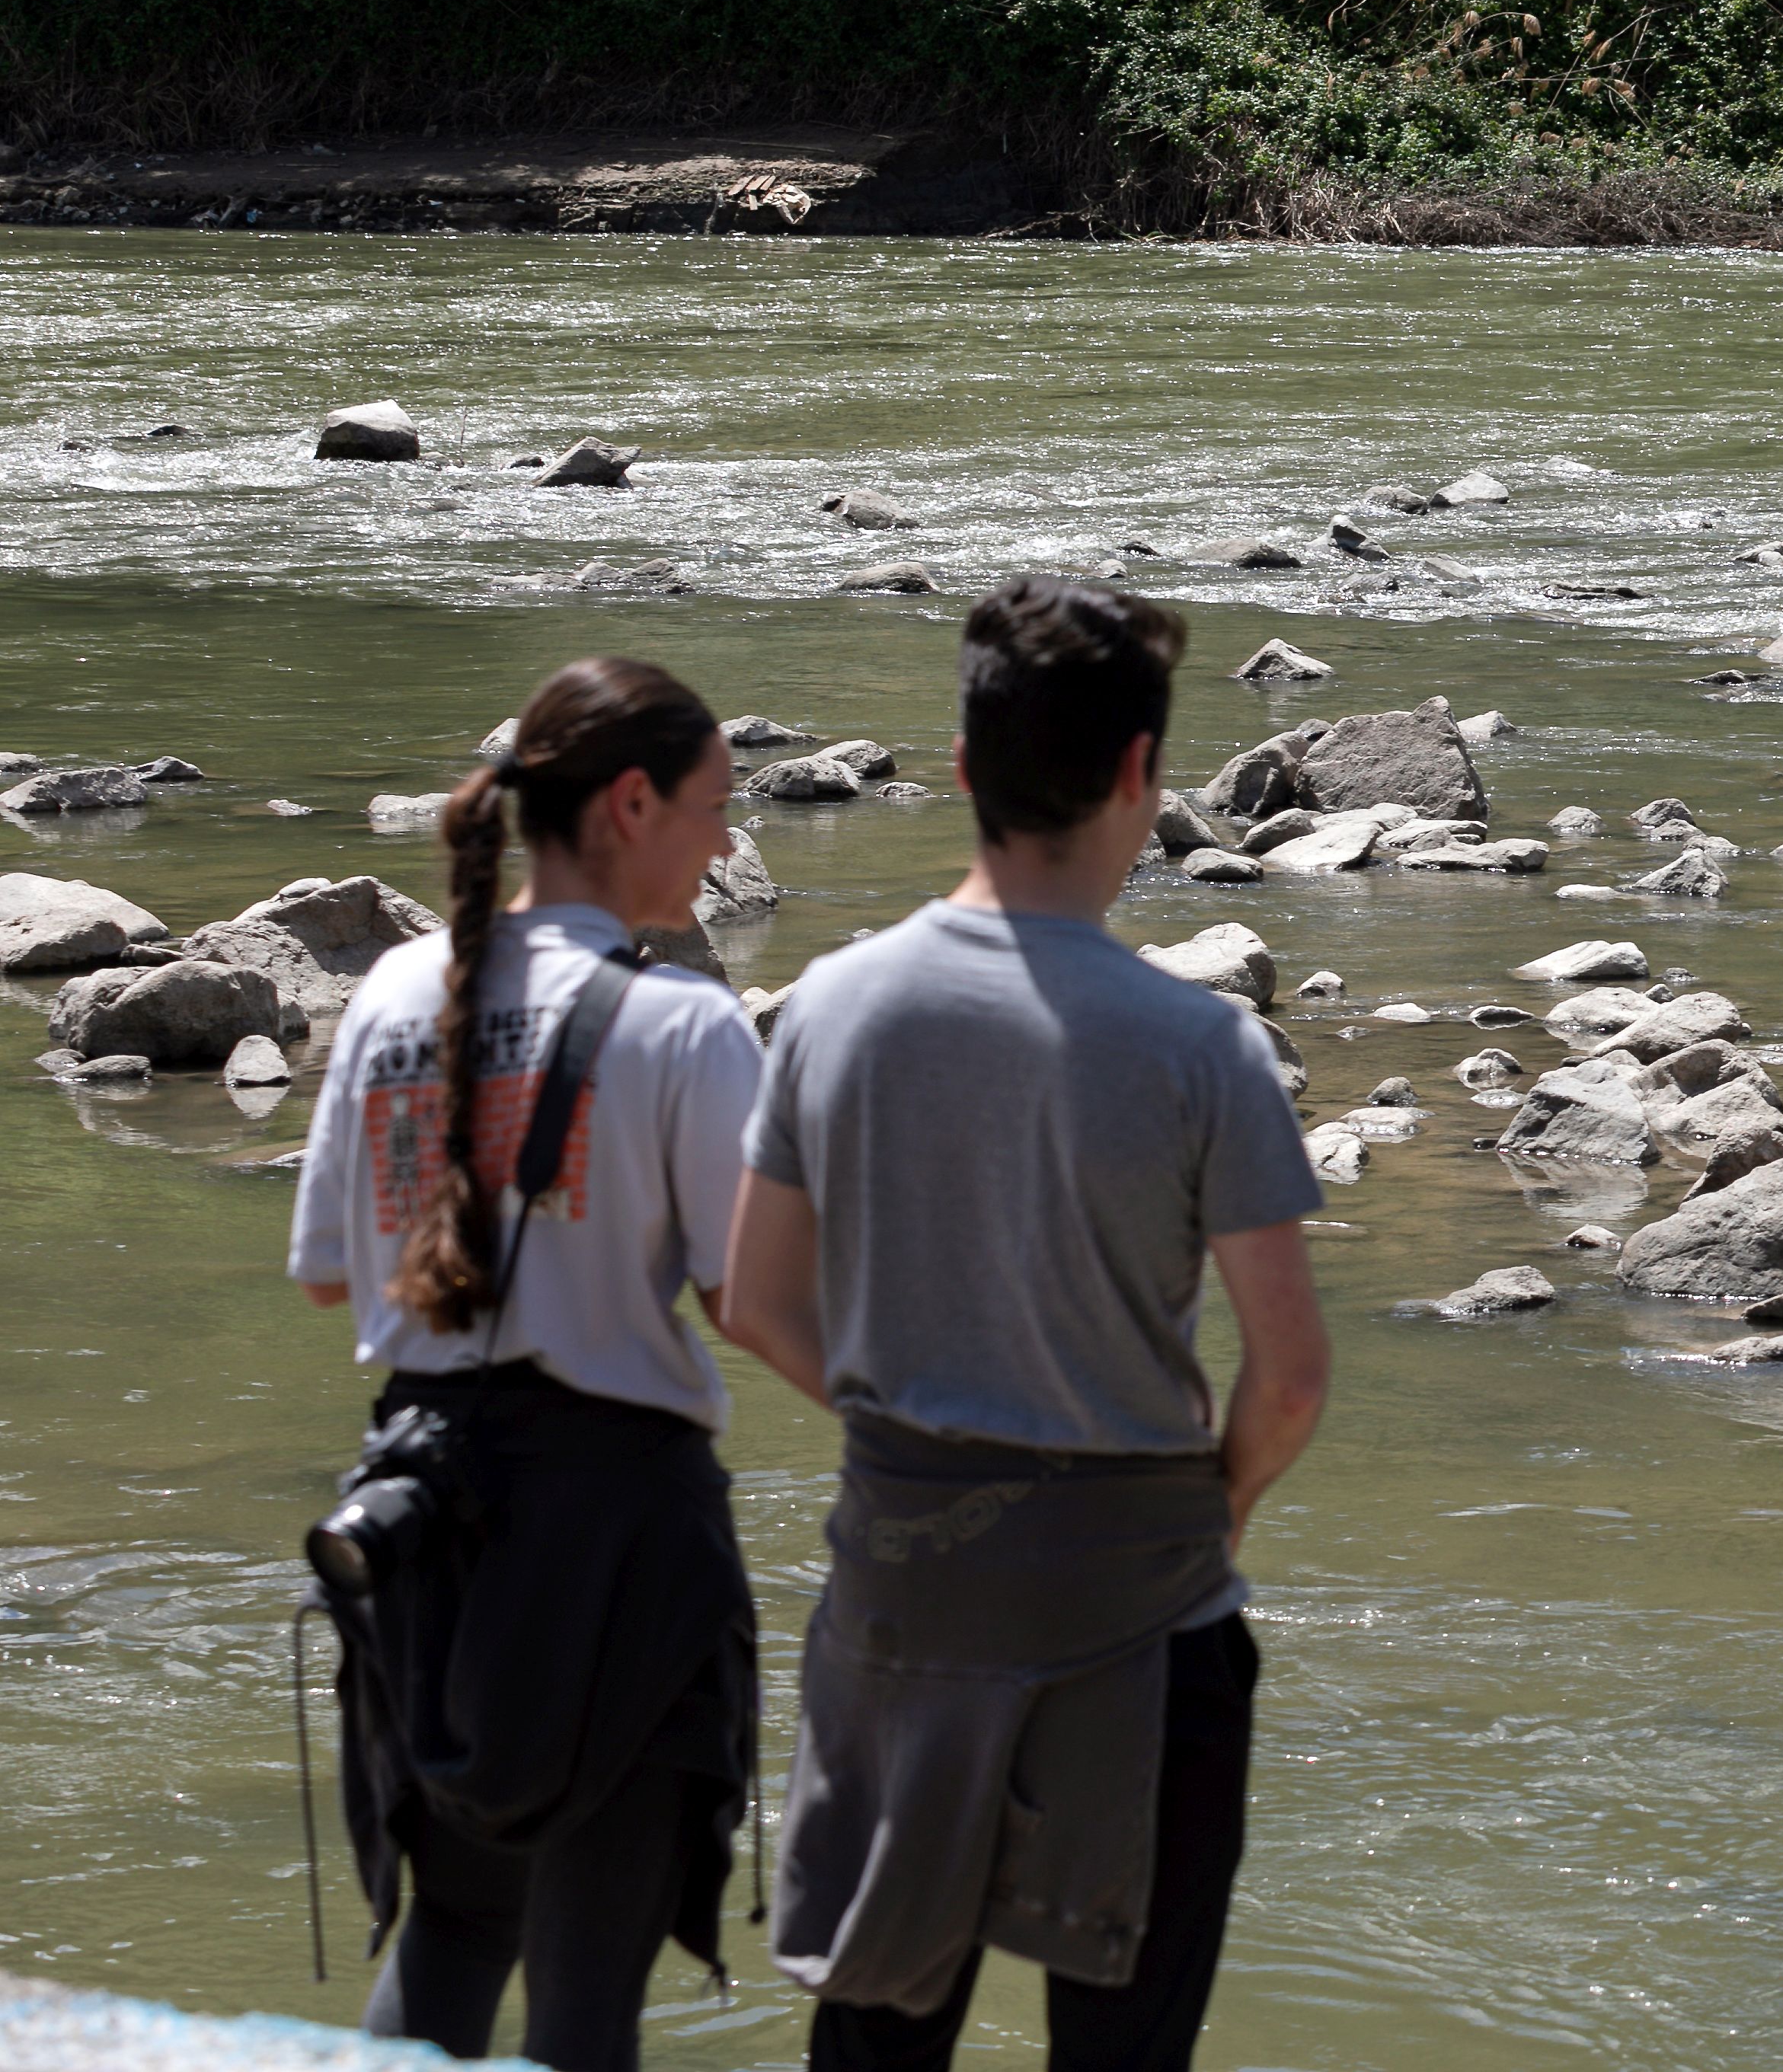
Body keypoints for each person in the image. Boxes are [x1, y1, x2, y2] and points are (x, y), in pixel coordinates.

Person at [719, 574, 1330, 2072]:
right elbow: (1293, 1376)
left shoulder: (836, 1007)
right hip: (1142, 1623)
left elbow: (751, 1301)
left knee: (873, 2041)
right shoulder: (1203, 1046)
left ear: (962, 768)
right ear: (1141, 776)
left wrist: (905, 1426)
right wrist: (1212, 1511)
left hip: (904, 1606)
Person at [286, 657, 766, 2072]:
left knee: (450, 1933)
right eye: (715, 807)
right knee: (586, 1997)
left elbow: (328, 1272)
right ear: (630, 803)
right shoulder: (680, 1018)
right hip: (619, 1544)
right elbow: (751, 1302)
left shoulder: (387, 994)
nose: (728, 842)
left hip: (417, 1524)